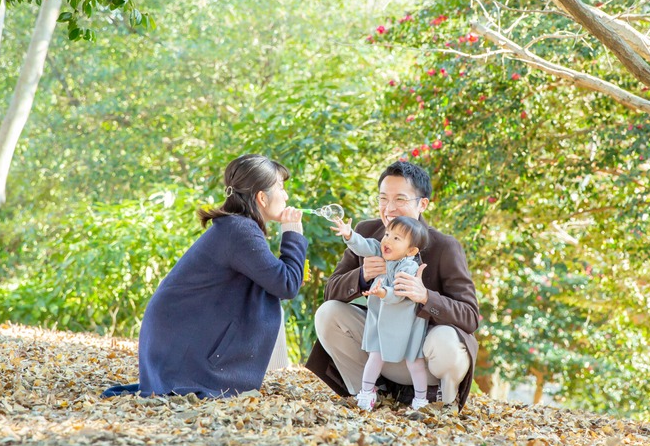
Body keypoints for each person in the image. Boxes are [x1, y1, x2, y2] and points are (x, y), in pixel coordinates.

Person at [103, 154, 306, 399]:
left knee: (267, 293)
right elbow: (287, 285)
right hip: (178, 349)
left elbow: (277, 281)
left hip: (174, 342)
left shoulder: (236, 227)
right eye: (281, 188)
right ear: (262, 197)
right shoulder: (240, 230)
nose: (285, 196)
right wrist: (293, 232)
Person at [305, 161, 479, 410]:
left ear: (422, 204)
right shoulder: (367, 232)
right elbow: (330, 291)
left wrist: (426, 297)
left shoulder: (444, 246)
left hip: (423, 353)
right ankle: (368, 392)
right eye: (383, 198)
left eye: (400, 199)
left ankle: (440, 400)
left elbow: (470, 316)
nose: (389, 208)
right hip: (381, 344)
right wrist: (361, 275)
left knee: (447, 340)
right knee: (328, 313)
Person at [333, 214, 432, 411]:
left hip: (406, 325)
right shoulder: (382, 251)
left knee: (415, 362)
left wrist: (382, 292)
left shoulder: (409, 266)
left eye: (397, 238)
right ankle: (367, 392)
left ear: (411, 250)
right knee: (375, 356)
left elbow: (398, 293)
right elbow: (365, 246)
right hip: (382, 322)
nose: (387, 240)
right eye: (387, 234)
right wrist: (349, 234)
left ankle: (420, 400)